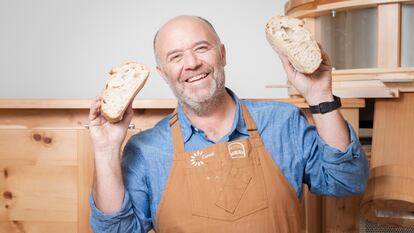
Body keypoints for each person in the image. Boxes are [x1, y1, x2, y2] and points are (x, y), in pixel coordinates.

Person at [88, 15, 368, 233]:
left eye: (201, 48)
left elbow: (347, 182)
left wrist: (320, 97)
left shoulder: (282, 122)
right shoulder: (147, 150)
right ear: (163, 74)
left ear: (222, 55)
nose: (192, 63)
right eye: (176, 57)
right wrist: (105, 149)